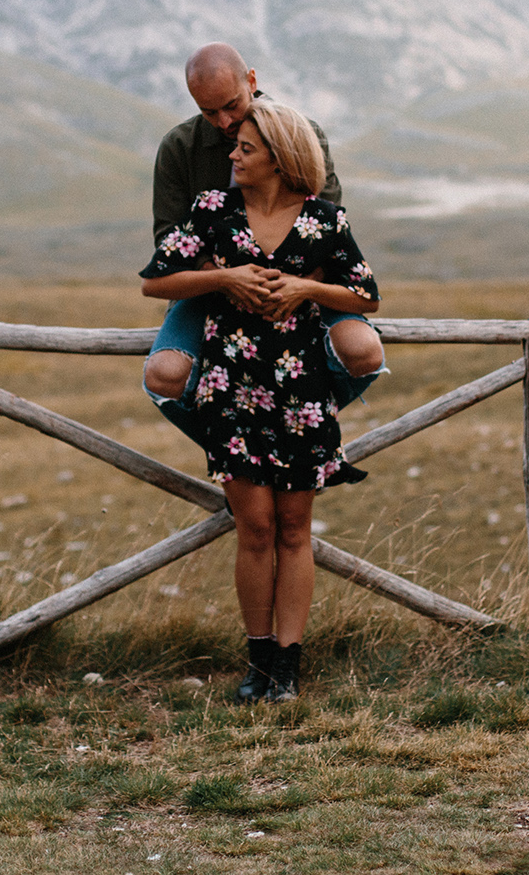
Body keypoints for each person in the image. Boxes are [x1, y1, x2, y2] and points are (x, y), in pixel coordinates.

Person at [140, 101, 382, 702]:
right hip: (231, 389)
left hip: (301, 394)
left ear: (278, 156)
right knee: (254, 529)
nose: (232, 155)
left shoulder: (325, 220)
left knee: (295, 529)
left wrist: (306, 287)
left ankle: (290, 670)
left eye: (245, 148)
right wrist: (225, 278)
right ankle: (258, 664)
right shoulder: (213, 211)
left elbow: (366, 296)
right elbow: (155, 280)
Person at [144, 43, 384, 417]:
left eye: (231, 105)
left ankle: (311, 413)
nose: (224, 122)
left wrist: (290, 289)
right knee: (164, 376)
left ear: (252, 80)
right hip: (209, 290)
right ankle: (229, 439)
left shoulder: (304, 133)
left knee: (364, 351)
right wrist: (227, 281)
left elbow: (329, 227)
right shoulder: (178, 148)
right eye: (208, 112)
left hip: (300, 286)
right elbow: (169, 239)